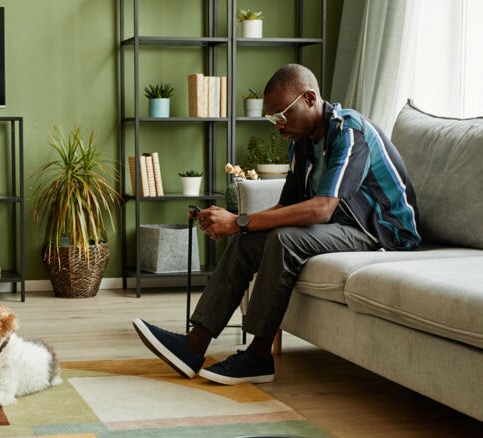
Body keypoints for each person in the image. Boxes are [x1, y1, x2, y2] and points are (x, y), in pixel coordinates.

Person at [133, 63, 420, 385]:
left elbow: (322, 209)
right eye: (273, 119)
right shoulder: (302, 143)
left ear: (310, 98)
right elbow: (288, 204)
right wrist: (239, 227)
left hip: (382, 231)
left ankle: (257, 355)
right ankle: (193, 345)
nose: (278, 127)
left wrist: (240, 220)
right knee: (247, 240)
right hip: (341, 225)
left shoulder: (349, 133)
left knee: (284, 239)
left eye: (282, 115)